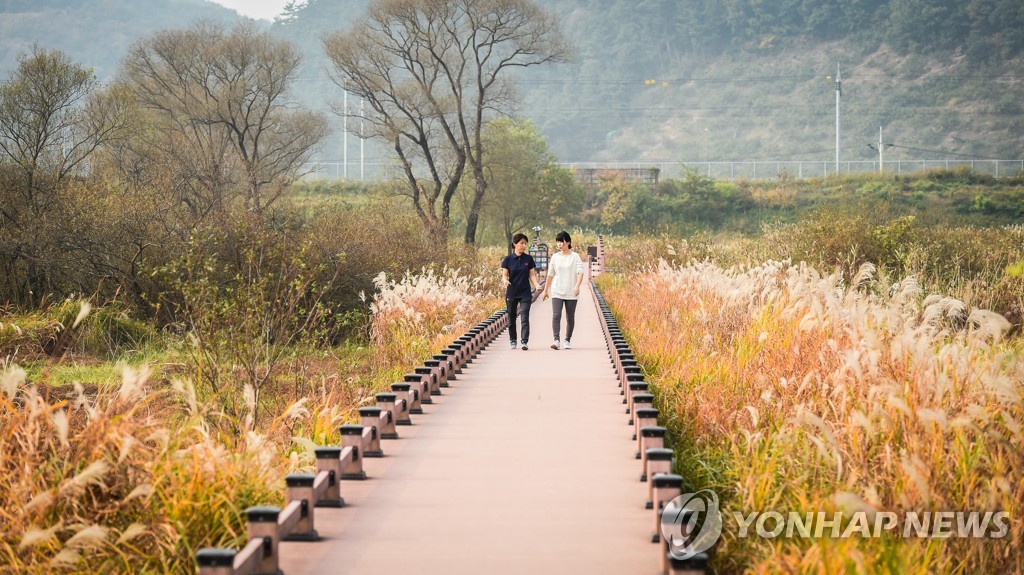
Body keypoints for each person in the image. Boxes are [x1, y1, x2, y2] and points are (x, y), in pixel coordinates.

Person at [541, 231, 585, 350]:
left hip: (571, 291)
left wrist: (577, 286)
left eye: (562, 242)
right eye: (558, 242)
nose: (560, 244)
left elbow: (580, 272)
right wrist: (545, 290)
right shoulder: (555, 257)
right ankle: (556, 340)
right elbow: (550, 274)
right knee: (556, 315)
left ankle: (567, 340)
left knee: (570, 317)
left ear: (568, 242)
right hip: (557, 290)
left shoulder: (575, 256)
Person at [501, 233, 540, 350]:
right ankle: (513, 340)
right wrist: (505, 281)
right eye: (521, 243)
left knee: (524, 317)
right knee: (511, 318)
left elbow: (532, 275)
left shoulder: (528, 259)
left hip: (525, 292)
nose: (523, 246)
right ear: (515, 244)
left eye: (525, 244)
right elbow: (504, 275)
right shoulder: (508, 259)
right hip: (512, 292)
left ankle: (524, 341)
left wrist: (537, 284)